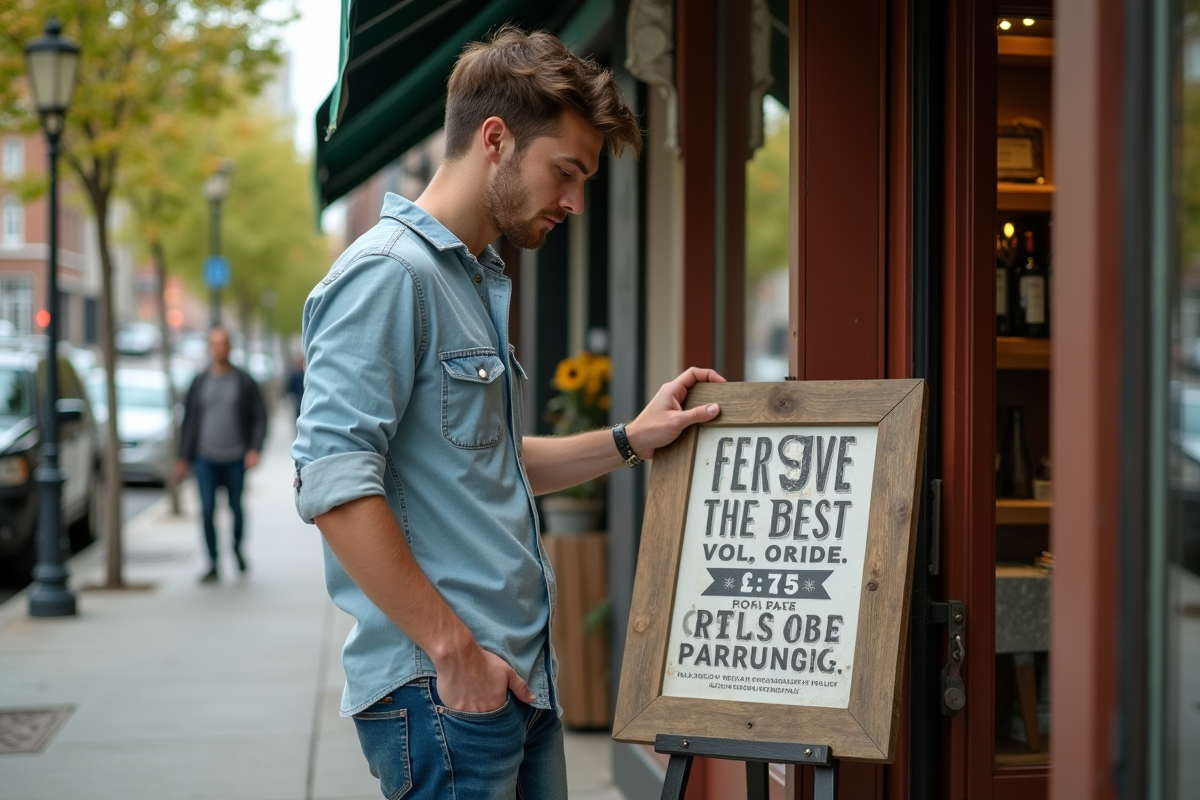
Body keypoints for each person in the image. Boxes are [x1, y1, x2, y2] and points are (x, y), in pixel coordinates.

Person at [291, 27, 724, 800]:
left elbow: (489, 461)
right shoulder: (389, 276)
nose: (575, 202)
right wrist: (454, 653)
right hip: (447, 696)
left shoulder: (468, 279)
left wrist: (632, 439)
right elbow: (333, 485)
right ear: (495, 139)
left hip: (511, 689)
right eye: (566, 171)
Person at [178, 327, 268, 582]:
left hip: (236, 457)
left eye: (223, 344)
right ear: (209, 348)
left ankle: (237, 547)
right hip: (204, 457)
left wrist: (254, 449)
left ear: (229, 347)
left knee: (236, 508)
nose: (219, 348)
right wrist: (182, 457)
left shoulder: (244, 380)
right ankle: (212, 561)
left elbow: (260, 417)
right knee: (206, 509)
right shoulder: (199, 381)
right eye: (214, 344)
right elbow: (188, 420)